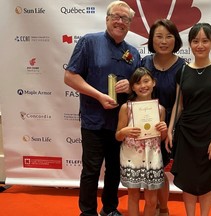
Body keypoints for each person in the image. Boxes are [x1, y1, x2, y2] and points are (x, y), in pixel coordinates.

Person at [64, 1, 141, 216]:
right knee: (91, 170)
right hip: (93, 120)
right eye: (116, 16)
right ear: (107, 19)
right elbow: (69, 77)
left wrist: (130, 86)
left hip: (120, 124)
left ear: (130, 24)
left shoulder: (133, 53)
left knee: (114, 170)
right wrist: (98, 96)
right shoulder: (89, 42)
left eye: (125, 19)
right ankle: (87, 212)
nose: (120, 21)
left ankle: (110, 209)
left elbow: (140, 89)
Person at [165, 23, 211, 216]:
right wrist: (170, 130)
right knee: (187, 180)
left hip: (210, 132)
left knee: (206, 180)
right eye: (195, 41)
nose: (200, 45)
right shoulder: (183, 71)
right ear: (190, 43)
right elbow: (179, 105)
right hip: (186, 132)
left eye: (205, 41)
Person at [141, 19, 186, 216]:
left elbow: (180, 101)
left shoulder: (183, 67)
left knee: (159, 168)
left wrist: (170, 129)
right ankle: (156, 206)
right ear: (152, 40)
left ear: (175, 40)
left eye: (169, 36)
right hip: (144, 124)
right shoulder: (144, 62)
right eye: (159, 36)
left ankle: (164, 208)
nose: (164, 41)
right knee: (151, 169)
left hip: (168, 123)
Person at [115, 67, 168, 216]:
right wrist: (124, 132)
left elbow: (161, 138)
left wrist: (163, 129)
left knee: (151, 200)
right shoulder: (126, 108)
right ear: (132, 87)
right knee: (133, 196)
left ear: (154, 83)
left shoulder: (160, 109)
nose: (143, 86)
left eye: (146, 81)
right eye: (138, 83)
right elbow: (118, 136)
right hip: (132, 157)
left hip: (153, 157)